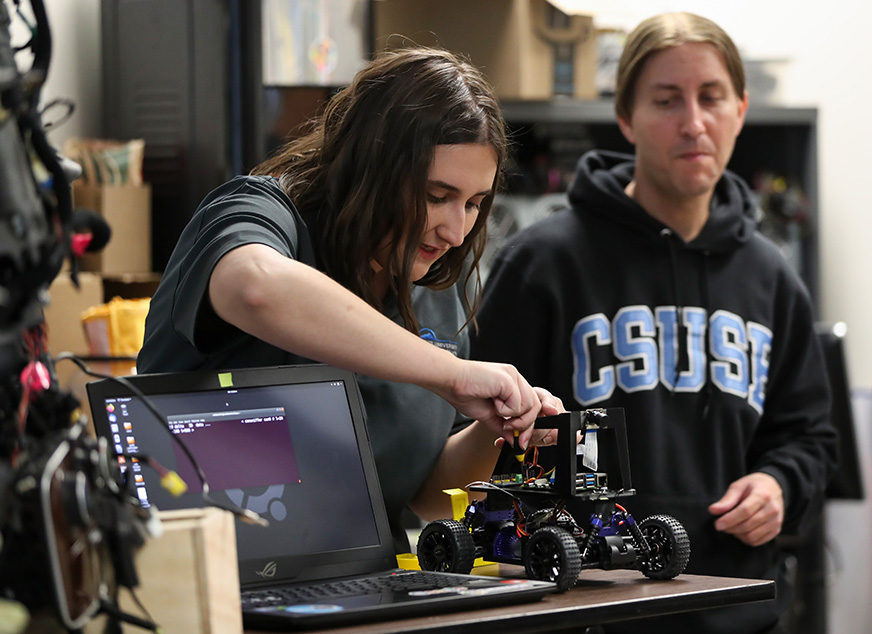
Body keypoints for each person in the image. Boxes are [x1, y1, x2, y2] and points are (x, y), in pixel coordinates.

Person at [470, 12, 837, 634]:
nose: (694, 123)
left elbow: (810, 438)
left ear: (741, 109)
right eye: (667, 100)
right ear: (626, 117)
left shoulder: (772, 278)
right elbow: (477, 439)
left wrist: (779, 485)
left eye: (711, 97)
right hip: (580, 613)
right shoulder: (541, 264)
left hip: (736, 609)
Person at [137, 47, 562, 550]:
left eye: (473, 203)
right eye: (435, 196)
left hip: (353, 581)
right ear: (369, 168)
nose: (455, 230)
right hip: (203, 574)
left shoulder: (436, 288)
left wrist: (500, 434)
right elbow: (254, 288)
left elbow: (424, 495)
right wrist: (451, 374)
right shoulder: (259, 213)